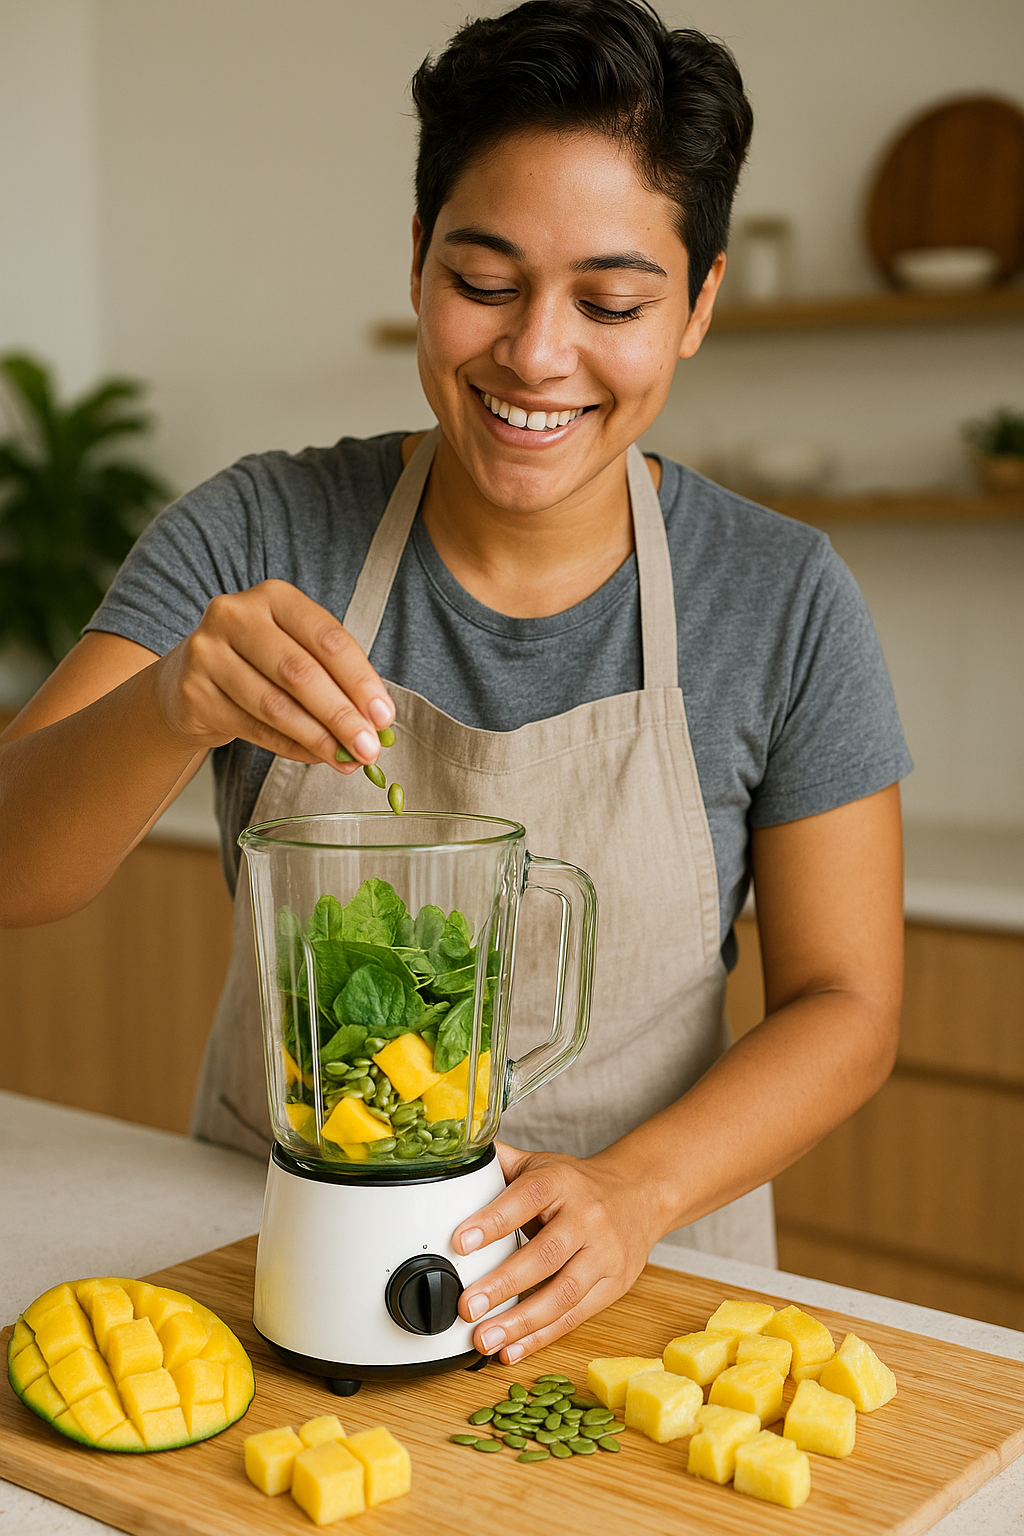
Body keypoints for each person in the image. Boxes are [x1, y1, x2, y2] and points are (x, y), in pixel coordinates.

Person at [0, 0, 909, 1368]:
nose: (537, 355)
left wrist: (636, 1191)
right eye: (485, 282)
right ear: (418, 259)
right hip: (284, 1261)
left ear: (700, 305)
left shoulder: (781, 597)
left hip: (642, 1285)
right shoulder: (260, 530)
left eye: (611, 302)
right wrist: (171, 703)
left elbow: (848, 1005)